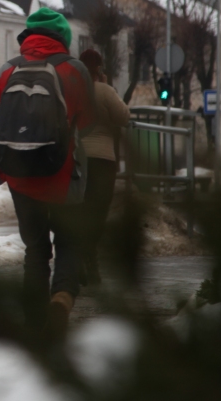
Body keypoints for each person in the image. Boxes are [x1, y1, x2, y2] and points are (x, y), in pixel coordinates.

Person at [0, 8, 94, 339]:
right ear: (62, 39)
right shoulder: (75, 70)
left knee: (36, 250)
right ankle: (62, 299)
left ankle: (33, 323)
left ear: (28, 37)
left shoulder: (7, 69)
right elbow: (89, 121)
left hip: (21, 176)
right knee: (69, 242)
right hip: (64, 175)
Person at [77, 48, 130, 286]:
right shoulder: (106, 91)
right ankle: (91, 257)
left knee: (80, 208)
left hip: (77, 158)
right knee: (98, 211)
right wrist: (110, 88)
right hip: (103, 160)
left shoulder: (74, 92)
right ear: (100, 70)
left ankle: (79, 260)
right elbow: (123, 117)